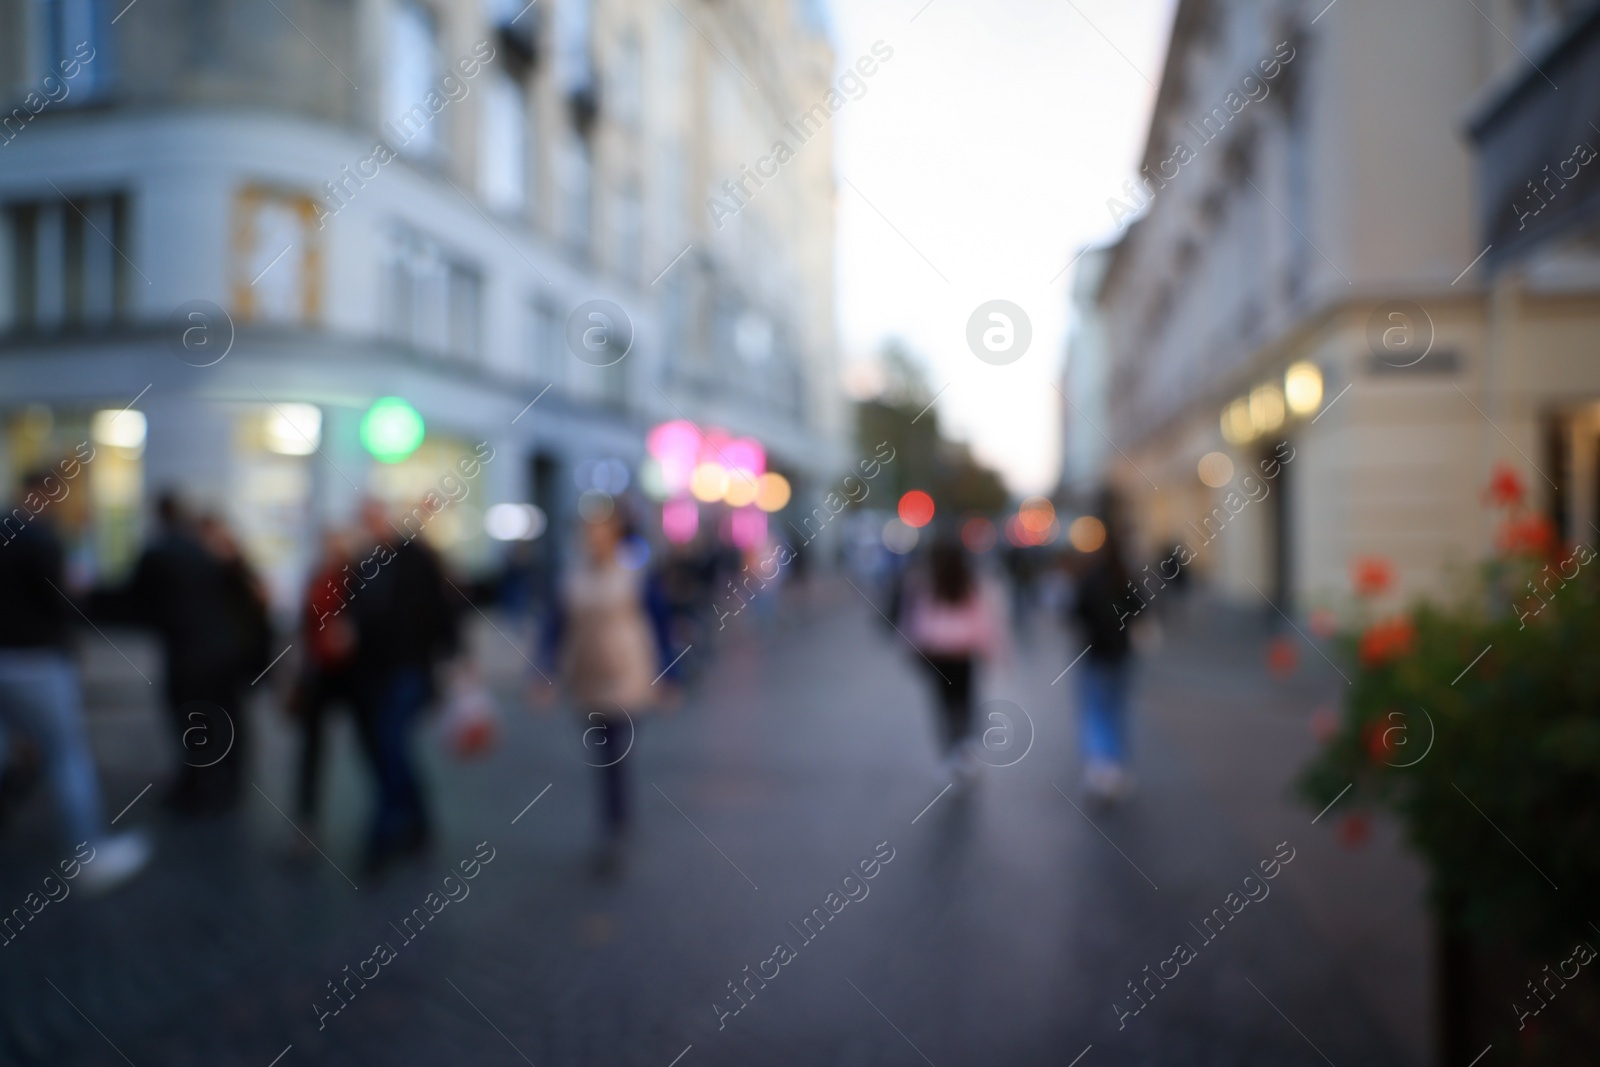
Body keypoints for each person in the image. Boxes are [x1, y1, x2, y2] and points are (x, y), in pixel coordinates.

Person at [0, 469, 149, 892]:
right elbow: (62, 602)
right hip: (37, 660)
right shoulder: (41, 539)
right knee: (67, 755)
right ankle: (89, 853)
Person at [536, 505, 678, 871]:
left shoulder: (635, 574)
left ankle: (614, 824)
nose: (593, 540)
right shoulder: (571, 577)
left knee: (615, 751)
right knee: (603, 752)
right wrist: (543, 673)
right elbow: (554, 627)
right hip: (586, 674)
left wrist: (668, 675)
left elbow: (660, 623)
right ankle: (615, 817)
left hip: (628, 672)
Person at [118, 491, 249, 813]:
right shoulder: (207, 553)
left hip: (189, 653)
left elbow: (136, 601)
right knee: (222, 718)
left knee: (191, 719)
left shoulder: (161, 553)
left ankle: (198, 784)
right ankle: (221, 782)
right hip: (223, 651)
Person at [348, 499, 461, 873]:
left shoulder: (417, 559)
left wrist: (457, 661)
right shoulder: (363, 564)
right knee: (389, 751)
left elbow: (442, 613)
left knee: (390, 743)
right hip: (372, 673)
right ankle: (418, 820)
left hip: (409, 670)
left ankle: (380, 837)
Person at [904, 540, 1008, 784]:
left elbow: (917, 620)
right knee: (965, 701)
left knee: (944, 705)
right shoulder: (970, 582)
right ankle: (964, 749)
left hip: (938, 655)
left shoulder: (927, 583)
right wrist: (991, 650)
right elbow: (984, 619)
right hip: (964, 654)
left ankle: (952, 752)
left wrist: (913, 647)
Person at [1068, 502, 1141, 801]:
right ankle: (1115, 766)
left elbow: (1075, 614)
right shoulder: (1125, 577)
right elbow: (1140, 609)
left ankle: (1100, 768)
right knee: (1116, 709)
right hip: (1120, 654)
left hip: (1095, 653)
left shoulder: (1089, 579)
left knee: (1095, 711)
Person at [291, 529, 358, 831]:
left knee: (372, 745)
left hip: (351, 672)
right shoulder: (317, 577)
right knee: (310, 750)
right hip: (319, 671)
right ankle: (307, 820)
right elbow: (305, 627)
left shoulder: (357, 579)